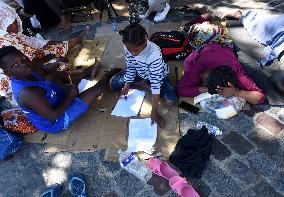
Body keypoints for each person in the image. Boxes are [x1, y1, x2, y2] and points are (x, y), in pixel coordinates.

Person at [0, 46, 115, 133]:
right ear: (7, 73)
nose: (23, 64)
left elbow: (44, 70)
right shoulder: (28, 93)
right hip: (56, 120)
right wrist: (70, 97)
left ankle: (87, 72)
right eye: (15, 65)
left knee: (54, 76)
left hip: (52, 98)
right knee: (97, 89)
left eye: (23, 58)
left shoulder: (26, 72)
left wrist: (57, 63)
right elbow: (52, 115)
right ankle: (112, 80)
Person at [0, 1, 85, 99]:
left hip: (27, 71)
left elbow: (33, 42)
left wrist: (52, 46)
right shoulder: (6, 41)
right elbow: (30, 63)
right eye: (10, 24)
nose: (15, 26)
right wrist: (51, 58)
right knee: (60, 67)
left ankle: (75, 47)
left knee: (52, 54)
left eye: (14, 20)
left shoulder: (10, 35)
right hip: (20, 80)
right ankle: (70, 88)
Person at [109, 23, 177, 128]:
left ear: (145, 41)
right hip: (139, 72)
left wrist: (154, 110)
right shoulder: (128, 45)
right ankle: (141, 84)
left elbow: (156, 82)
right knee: (112, 84)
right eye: (129, 50)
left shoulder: (154, 53)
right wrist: (126, 87)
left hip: (158, 76)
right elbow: (130, 66)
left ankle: (142, 84)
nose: (132, 53)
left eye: (135, 50)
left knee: (170, 102)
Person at [176, 42, 265, 104]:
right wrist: (208, 89)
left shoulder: (238, 74)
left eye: (205, 80)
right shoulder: (200, 68)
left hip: (224, 50)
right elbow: (179, 90)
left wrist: (236, 92)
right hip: (207, 48)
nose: (201, 75)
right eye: (204, 80)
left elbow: (260, 98)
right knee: (187, 63)